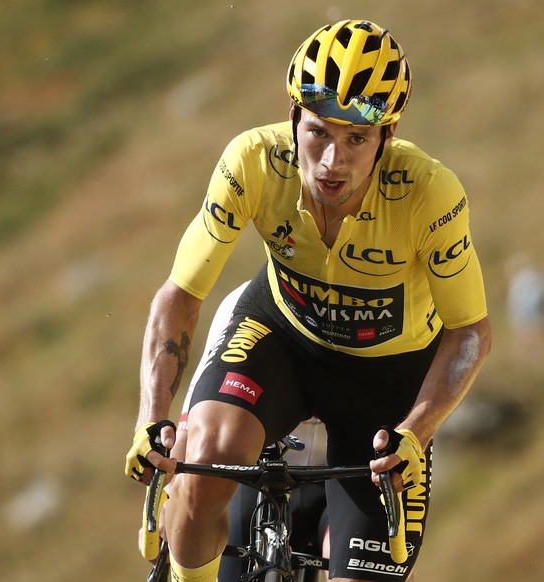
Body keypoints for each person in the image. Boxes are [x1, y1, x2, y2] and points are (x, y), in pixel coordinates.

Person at [125, 19, 491, 582]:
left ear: (387, 136)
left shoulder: (428, 195)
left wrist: (415, 432)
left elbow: (470, 331)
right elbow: (181, 294)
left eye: (356, 139)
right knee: (199, 472)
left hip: (387, 379)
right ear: (293, 114)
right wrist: (151, 420)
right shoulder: (253, 161)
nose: (331, 162)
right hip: (281, 340)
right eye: (318, 131)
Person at [171, 282, 329, 580]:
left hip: (347, 476)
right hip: (262, 473)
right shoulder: (247, 299)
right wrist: (172, 501)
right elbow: (193, 421)